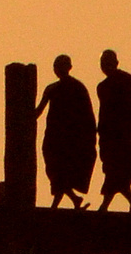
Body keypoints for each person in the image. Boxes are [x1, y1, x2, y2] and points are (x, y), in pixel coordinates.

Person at [35, 54, 97, 208]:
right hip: (53, 136)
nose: (59, 69)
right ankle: (74, 199)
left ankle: (59, 204)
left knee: (64, 169)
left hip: (70, 137)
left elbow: (87, 114)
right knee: (54, 168)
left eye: (62, 66)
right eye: (56, 66)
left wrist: (87, 136)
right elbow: (38, 111)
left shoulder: (77, 88)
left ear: (69, 68)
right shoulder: (51, 88)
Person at [95, 50, 131, 212]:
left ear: (116, 63)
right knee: (111, 168)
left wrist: (128, 125)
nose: (104, 66)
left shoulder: (127, 81)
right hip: (108, 135)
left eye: (107, 62)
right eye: (102, 63)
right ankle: (130, 201)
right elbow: (104, 112)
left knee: (118, 169)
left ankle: (105, 205)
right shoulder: (102, 87)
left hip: (122, 134)